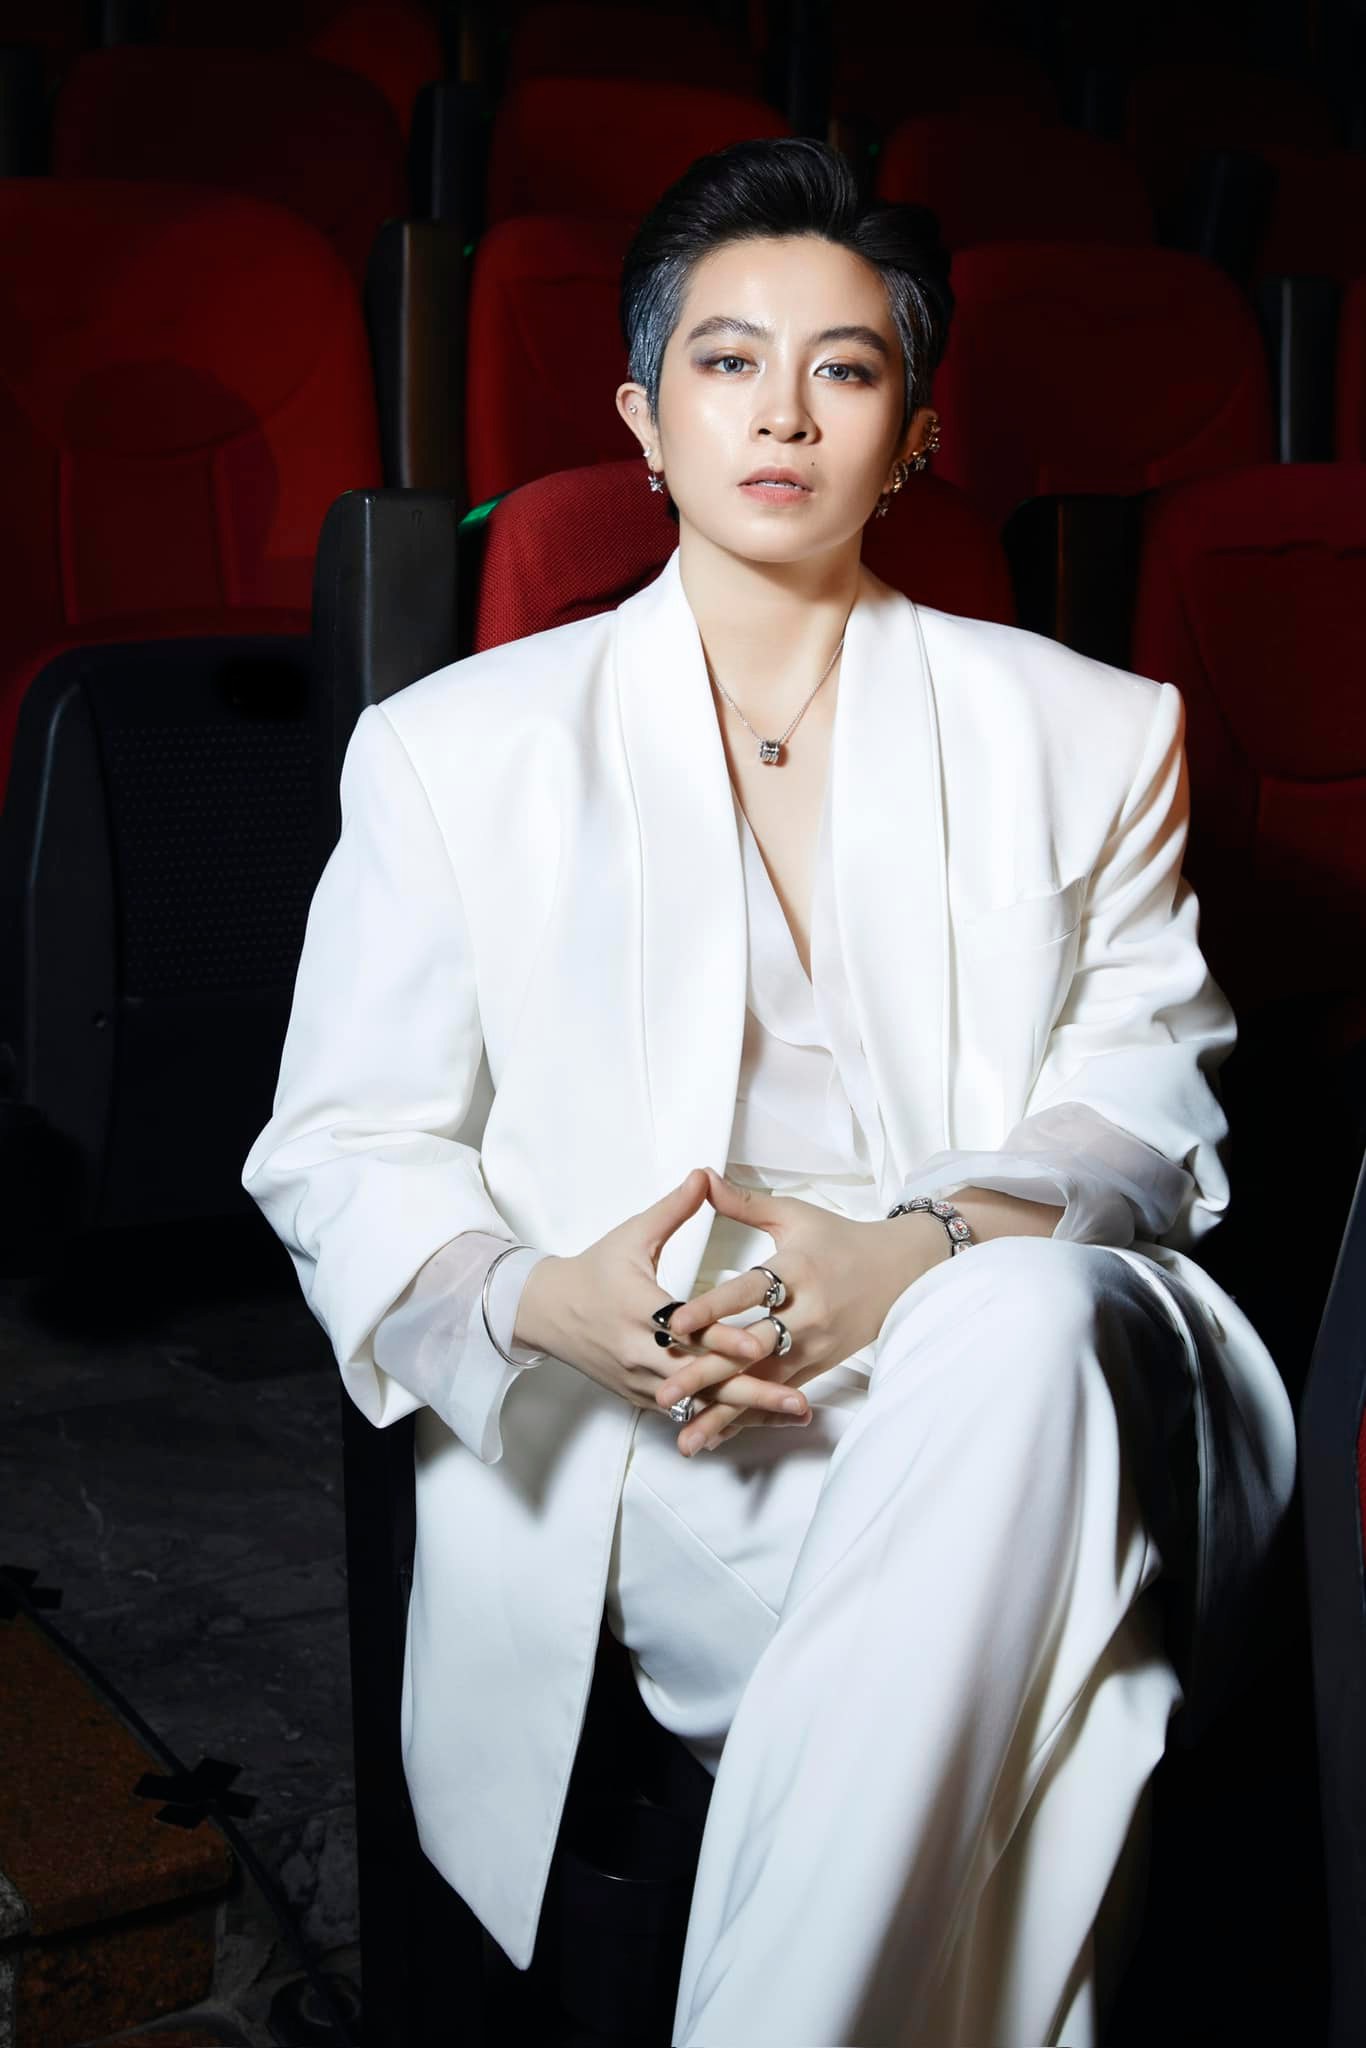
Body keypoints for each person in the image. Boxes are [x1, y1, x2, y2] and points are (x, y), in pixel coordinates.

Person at [243, 137, 1296, 2046]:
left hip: (1048, 1333)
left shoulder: (1087, 730)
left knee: (1016, 1328)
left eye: (844, 368)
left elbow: (1146, 1108)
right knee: (1053, 1695)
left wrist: (917, 1253)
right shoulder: (451, 754)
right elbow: (344, 1145)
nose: (782, 413)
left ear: (912, 437)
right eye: (726, 362)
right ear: (641, 421)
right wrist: (536, 1299)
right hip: (679, 1411)